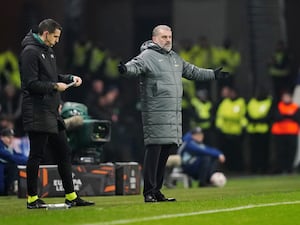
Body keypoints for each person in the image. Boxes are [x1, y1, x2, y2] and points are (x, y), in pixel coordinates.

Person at [118, 25, 230, 202]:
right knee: (154, 149)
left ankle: (157, 190)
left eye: (169, 37)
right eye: (164, 37)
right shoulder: (147, 56)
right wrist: (125, 69)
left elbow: (192, 71)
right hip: (155, 111)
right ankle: (148, 191)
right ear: (154, 39)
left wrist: (212, 75)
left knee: (165, 151)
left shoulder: (174, 58)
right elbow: (135, 66)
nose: (168, 40)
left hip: (172, 112)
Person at [19, 18, 94, 209]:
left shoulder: (47, 51)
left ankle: (71, 196)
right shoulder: (29, 52)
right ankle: (32, 199)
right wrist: (54, 86)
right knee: (36, 154)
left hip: (51, 111)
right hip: (36, 110)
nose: (57, 40)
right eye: (55, 36)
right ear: (46, 34)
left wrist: (68, 78)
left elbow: (53, 77)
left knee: (64, 152)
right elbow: (30, 84)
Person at [271, 90, 300, 173]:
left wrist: (285, 116)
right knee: (280, 152)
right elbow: (277, 117)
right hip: (279, 132)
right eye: (285, 97)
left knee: (291, 152)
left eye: (287, 96)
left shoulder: (295, 107)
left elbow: (297, 118)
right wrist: (289, 116)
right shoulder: (278, 106)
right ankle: (280, 169)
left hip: (292, 132)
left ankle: (289, 168)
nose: (286, 98)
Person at [0, 127, 27, 195]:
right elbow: (10, 157)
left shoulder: (8, 147)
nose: (10, 140)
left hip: (5, 166)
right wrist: (28, 160)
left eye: (11, 138)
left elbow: (16, 154)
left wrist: (28, 159)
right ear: (2, 137)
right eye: (8, 137)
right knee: (1, 187)